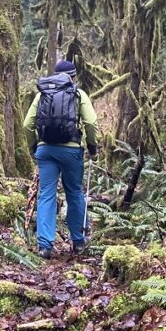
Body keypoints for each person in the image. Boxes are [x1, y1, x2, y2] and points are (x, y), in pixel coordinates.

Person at [22, 60, 99, 259]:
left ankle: (45, 246)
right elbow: (90, 122)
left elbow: (27, 124)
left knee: (46, 194)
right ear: (73, 77)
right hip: (71, 151)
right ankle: (78, 241)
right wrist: (92, 147)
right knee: (74, 193)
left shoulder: (42, 94)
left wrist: (34, 147)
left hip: (45, 150)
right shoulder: (78, 94)